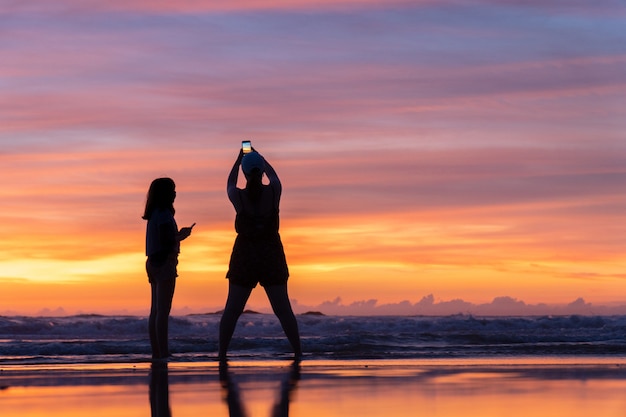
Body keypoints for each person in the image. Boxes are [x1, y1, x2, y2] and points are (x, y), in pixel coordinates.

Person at [219, 147, 302, 361]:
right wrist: (261, 158)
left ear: (245, 173)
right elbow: (273, 176)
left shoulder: (239, 196)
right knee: (283, 310)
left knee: (232, 310)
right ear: (262, 170)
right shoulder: (274, 192)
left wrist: (238, 160)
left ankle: (221, 354)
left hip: (245, 256)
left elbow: (229, 184)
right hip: (271, 254)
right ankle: (298, 352)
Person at [143, 177, 194, 361]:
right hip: (165, 262)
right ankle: (163, 352)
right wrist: (181, 235)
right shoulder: (164, 214)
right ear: (165, 194)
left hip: (152, 262)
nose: (175, 193)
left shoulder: (154, 213)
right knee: (163, 311)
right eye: (172, 190)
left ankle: (157, 352)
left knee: (155, 310)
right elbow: (167, 240)